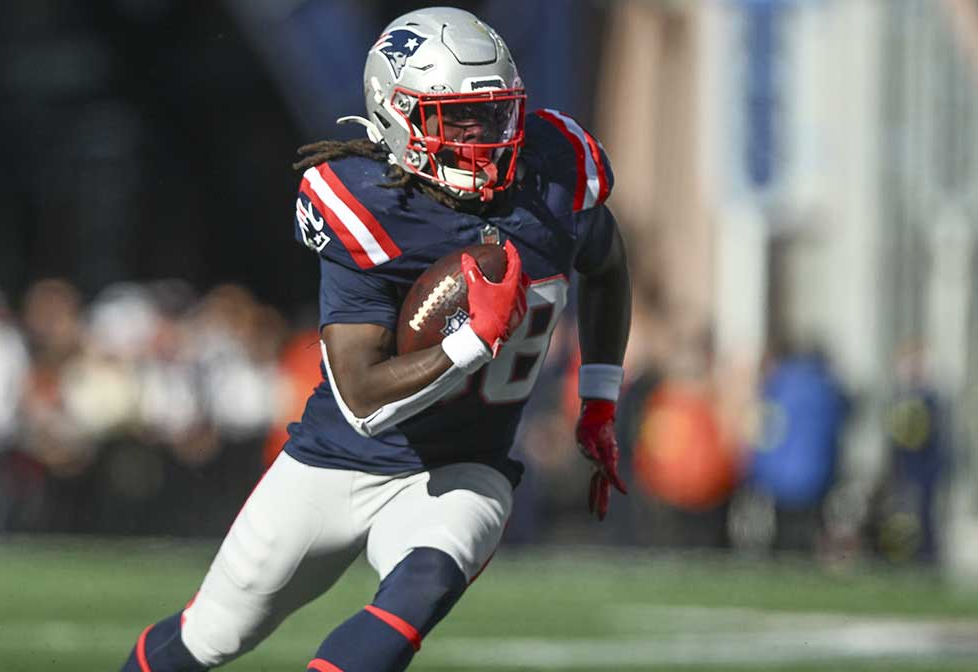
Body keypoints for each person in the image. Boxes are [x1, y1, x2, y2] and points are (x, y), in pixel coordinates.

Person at [121, 7, 631, 672]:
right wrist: (470, 340)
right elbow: (362, 398)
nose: (484, 137)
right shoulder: (368, 206)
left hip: (461, 470)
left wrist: (599, 399)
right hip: (338, 461)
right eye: (457, 119)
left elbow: (607, 262)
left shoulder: (553, 176)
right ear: (399, 115)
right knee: (211, 637)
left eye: (497, 115)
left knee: (417, 597)